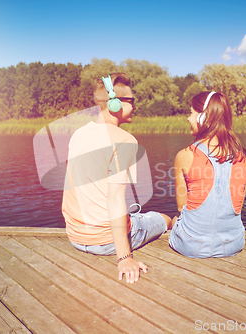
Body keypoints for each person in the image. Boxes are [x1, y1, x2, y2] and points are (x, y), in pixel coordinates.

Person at [62, 73, 172, 283]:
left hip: (75, 237)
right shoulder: (125, 140)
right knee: (162, 218)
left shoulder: (78, 134)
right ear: (114, 104)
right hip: (105, 242)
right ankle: (176, 224)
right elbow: (114, 199)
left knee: (134, 215)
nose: (135, 106)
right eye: (131, 101)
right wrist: (125, 257)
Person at [169, 91, 246, 258]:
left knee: (175, 219)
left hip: (191, 246)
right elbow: (237, 205)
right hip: (232, 244)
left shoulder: (185, 155)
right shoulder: (243, 156)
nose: (188, 118)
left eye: (191, 113)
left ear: (203, 117)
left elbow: (181, 207)